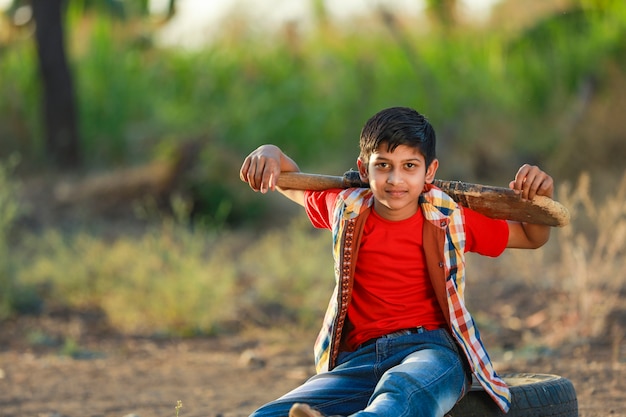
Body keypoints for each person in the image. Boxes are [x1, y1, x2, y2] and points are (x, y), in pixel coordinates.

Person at [239, 106, 554, 417]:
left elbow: (531, 236)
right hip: (359, 362)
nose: (395, 179)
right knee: (270, 414)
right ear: (364, 169)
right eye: (383, 165)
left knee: (402, 388)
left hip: (431, 354)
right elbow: (289, 180)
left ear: (429, 172)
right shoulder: (346, 209)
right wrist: (270, 152)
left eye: (409, 166)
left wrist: (540, 194)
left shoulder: (449, 217)